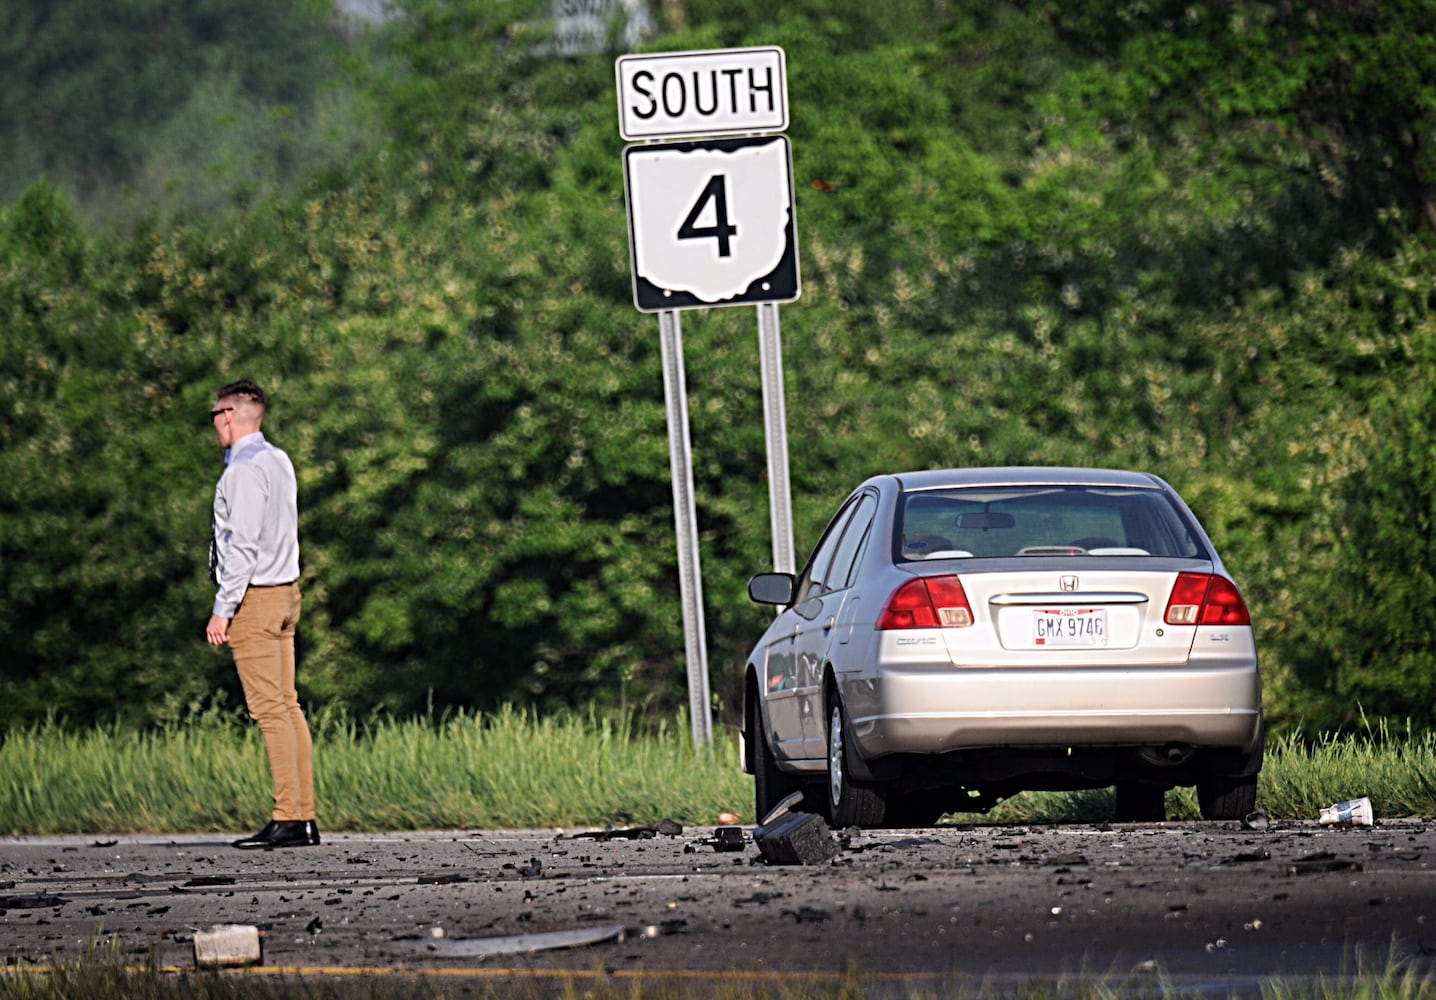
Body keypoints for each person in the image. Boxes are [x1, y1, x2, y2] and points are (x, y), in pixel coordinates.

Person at [205, 379, 320, 850]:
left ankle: (288, 817)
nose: (213, 425)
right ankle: (303, 816)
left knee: (269, 710)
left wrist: (222, 609)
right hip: (287, 592)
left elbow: (242, 547)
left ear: (229, 415)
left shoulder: (243, 471)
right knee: (288, 706)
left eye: (214, 416)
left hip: (257, 597)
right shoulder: (279, 460)